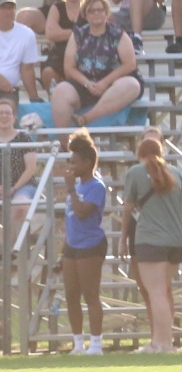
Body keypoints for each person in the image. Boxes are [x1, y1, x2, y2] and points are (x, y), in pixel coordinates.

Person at [124, 132, 182, 353]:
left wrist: (123, 240)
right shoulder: (177, 173)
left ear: (139, 154)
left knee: (156, 293)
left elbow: (128, 208)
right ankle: (161, 340)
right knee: (163, 291)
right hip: (176, 240)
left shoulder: (136, 172)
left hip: (151, 239)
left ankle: (163, 343)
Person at [51, 0, 142, 129]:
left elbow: (130, 64)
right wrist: (87, 84)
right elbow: (69, 68)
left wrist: (104, 83)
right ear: (85, 15)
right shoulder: (77, 35)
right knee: (60, 91)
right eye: (91, 11)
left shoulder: (118, 34)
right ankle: (65, 144)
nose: (96, 14)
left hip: (113, 83)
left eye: (100, 10)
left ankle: (86, 118)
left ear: (106, 13)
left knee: (132, 85)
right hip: (85, 83)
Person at [61, 130, 108, 354]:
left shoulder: (96, 187)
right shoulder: (78, 186)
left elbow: (81, 212)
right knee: (71, 295)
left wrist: (70, 189)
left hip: (90, 245)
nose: (71, 166)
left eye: (75, 162)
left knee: (90, 294)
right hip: (72, 244)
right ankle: (78, 343)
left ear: (88, 163)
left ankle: (96, 343)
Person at [40, 0, 87, 97]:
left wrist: (63, 33)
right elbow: (51, 34)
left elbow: (95, 31)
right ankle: (54, 100)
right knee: (48, 72)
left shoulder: (88, 8)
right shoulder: (57, 8)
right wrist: (79, 32)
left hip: (85, 54)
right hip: (60, 53)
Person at [0, 98, 44, 229]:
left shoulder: (24, 138)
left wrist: (13, 188)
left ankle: (10, 248)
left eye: (8, 113)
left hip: (23, 186)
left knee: (19, 208)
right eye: (0, 112)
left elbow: (31, 168)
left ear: (14, 118)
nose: (4, 116)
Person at [0, 0, 41, 105]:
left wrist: (34, 98)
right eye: (3, 8)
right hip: (5, 86)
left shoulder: (26, 34)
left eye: (11, 8)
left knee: (7, 111)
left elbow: (26, 69)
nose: (8, 11)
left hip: (8, 90)